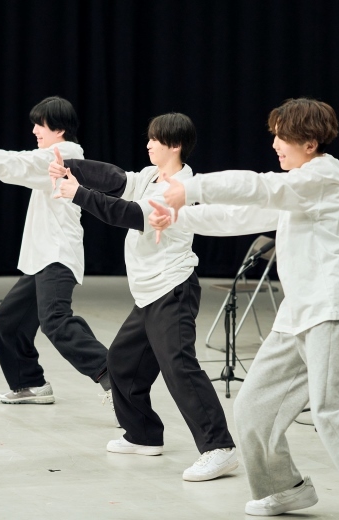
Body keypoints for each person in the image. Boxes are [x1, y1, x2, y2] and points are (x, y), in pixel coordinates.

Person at [151, 99, 339, 518]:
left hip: (329, 310)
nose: (275, 144)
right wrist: (178, 217)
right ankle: (285, 488)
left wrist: (192, 188)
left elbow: (260, 187)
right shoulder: (298, 185)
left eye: (283, 137)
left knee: (330, 409)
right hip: (296, 315)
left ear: (310, 143)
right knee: (252, 406)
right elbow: (239, 216)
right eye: (275, 136)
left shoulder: (323, 176)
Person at [48, 113, 239, 482]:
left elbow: (133, 214)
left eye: (155, 140)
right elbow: (118, 180)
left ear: (175, 145)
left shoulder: (181, 186)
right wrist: (70, 166)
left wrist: (78, 194)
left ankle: (219, 447)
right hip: (150, 292)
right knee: (121, 362)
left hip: (173, 289)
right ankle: (143, 435)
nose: (148, 144)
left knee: (179, 366)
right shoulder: (152, 176)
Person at [0, 97, 112, 414]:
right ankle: (30, 383)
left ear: (59, 128)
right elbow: (17, 158)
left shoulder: (64, 156)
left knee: (56, 322)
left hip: (57, 256)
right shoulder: (52, 154)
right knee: (8, 321)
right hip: (43, 258)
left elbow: (17, 164)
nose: (34, 130)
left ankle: (115, 380)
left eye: (39, 124)